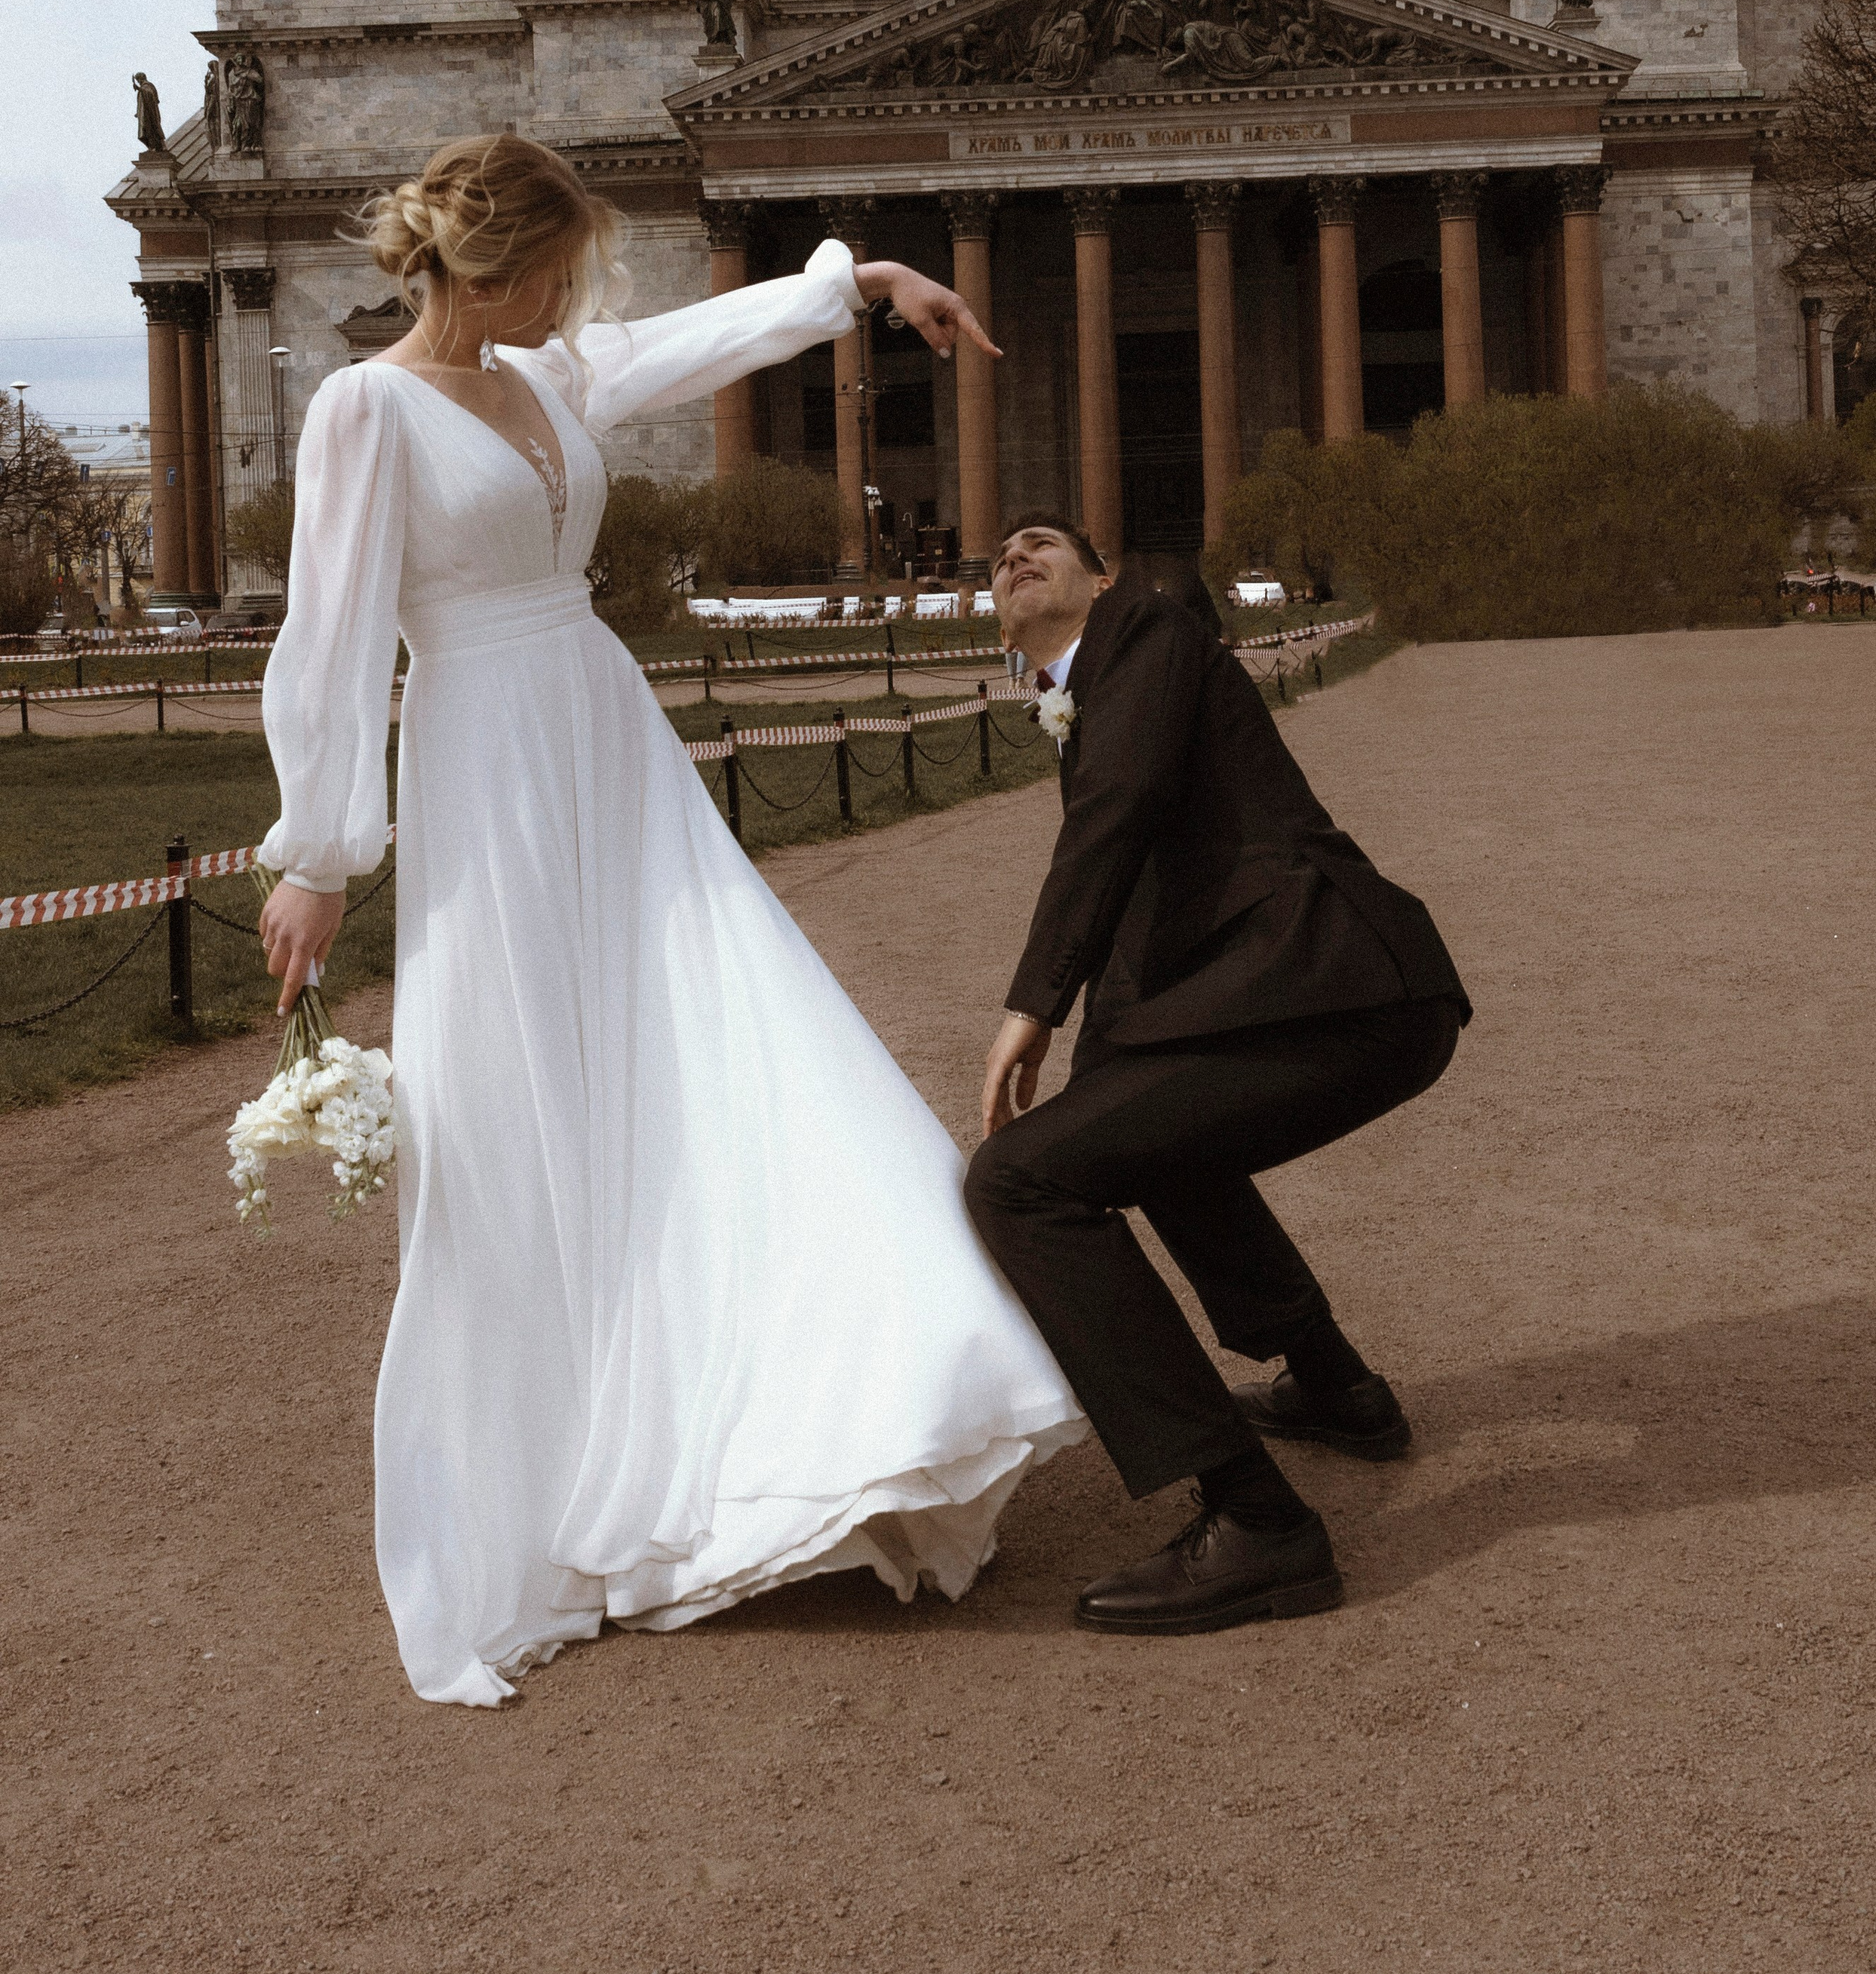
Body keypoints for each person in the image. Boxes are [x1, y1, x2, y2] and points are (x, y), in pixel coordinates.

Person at [255, 135, 1083, 1705]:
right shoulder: (364, 409)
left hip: (603, 737)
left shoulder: (549, 374)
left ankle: (847, 1405)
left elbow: (695, 342)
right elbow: (334, 629)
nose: (576, 299)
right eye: (559, 270)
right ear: (494, 264)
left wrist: (860, 284)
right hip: (486, 763)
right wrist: (319, 852)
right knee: (518, 1109)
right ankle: (557, 1476)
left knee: (728, 1037)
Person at [966, 515, 1468, 1638]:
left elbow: (1119, 811)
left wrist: (1033, 1004)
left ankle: (1258, 1519)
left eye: (1043, 543)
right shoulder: (1097, 697)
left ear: (1105, 579)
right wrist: (1094, 1083)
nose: (1014, 556)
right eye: (999, 560)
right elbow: (1145, 904)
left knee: (1014, 1184)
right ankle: (1336, 1389)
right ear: (998, 629)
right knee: (1136, 1140)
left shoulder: (1145, 633)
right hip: (1315, 995)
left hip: (1342, 985)